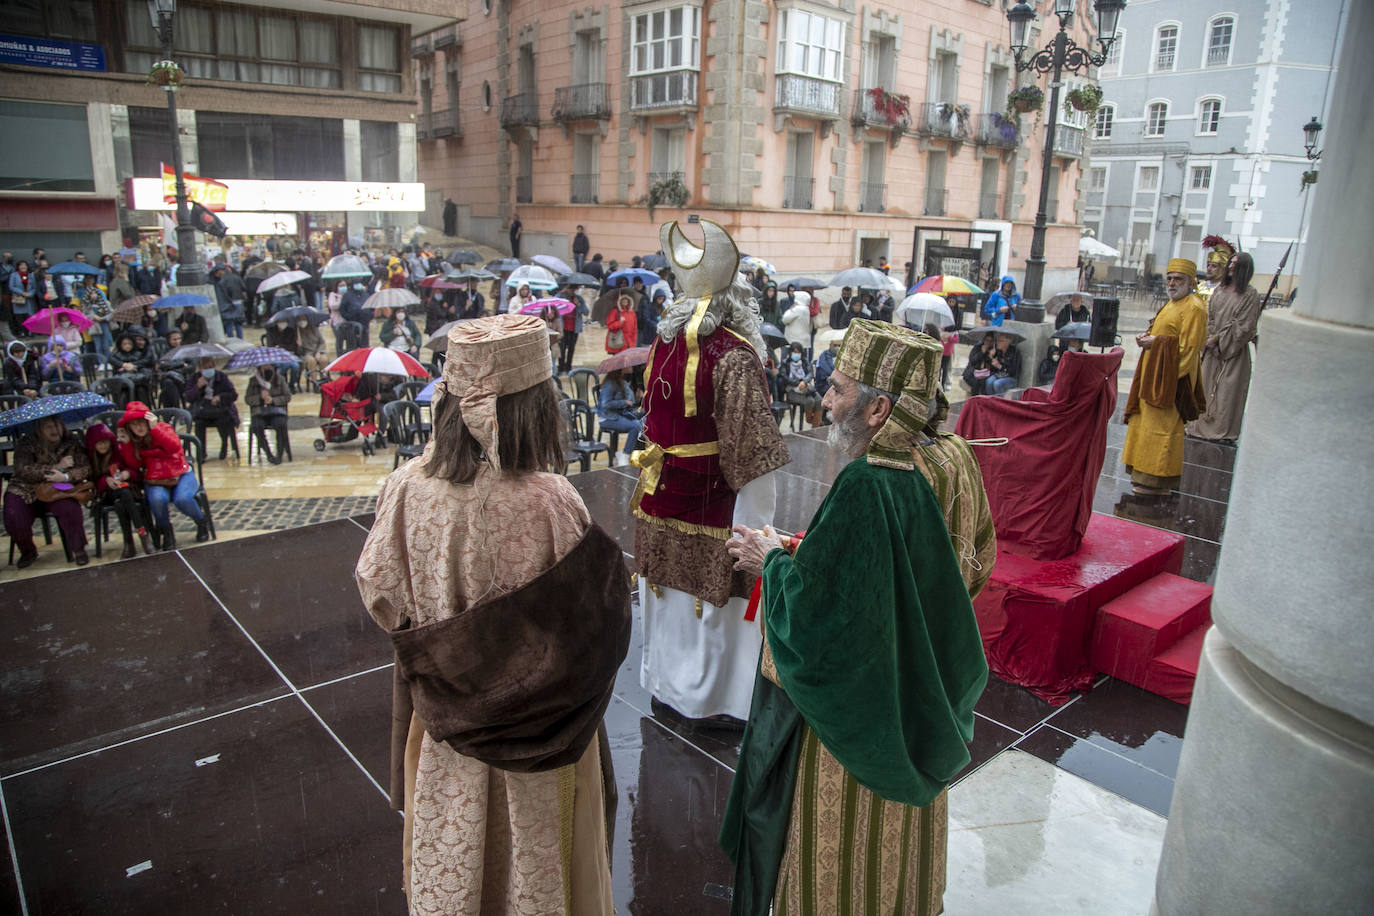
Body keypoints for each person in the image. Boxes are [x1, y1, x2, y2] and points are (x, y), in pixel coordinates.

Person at [721, 320, 994, 916]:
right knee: (906, 849)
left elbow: (823, 621)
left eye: (839, 389)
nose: (825, 400)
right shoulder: (954, 456)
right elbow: (968, 564)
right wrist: (805, 550)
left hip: (861, 714)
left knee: (846, 857)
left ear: (879, 409)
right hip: (923, 692)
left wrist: (772, 561)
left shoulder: (870, 483)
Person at [355, 314, 626, 914]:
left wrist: (452, 651)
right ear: (535, 407)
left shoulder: (404, 487)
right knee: (537, 873)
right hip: (544, 740)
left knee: (456, 859)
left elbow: (382, 598)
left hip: (446, 728)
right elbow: (595, 625)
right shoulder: (551, 500)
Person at [633, 218, 791, 723]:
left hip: (658, 496)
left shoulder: (663, 343)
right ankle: (715, 702)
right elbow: (754, 455)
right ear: (740, 299)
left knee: (670, 606)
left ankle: (667, 687)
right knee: (711, 613)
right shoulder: (735, 356)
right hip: (714, 507)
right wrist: (756, 530)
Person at [1123, 258, 1208, 495]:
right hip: (1154, 374)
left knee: (1162, 429)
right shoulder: (1172, 303)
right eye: (1169, 278)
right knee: (1145, 425)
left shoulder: (1194, 307)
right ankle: (1143, 476)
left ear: (1191, 282)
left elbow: (1189, 349)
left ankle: (1158, 481)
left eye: (1178, 279)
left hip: (1170, 379)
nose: (1171, 283)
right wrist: (1148, 337)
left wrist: (1157, 344)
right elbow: (1164, 334)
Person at [1186, 251, 1261, 444]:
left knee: (1226, 393)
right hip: (1212, 351)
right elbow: (1210, 317)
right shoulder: (1219, 290)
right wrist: (1210, 337)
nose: (1232, 266)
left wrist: (1220, 340)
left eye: (1236, 264)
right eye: (1231, 263)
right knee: (1205, 387)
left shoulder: (1250, 295)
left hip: (1233, 353)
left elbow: (1244, 325)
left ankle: (1221, 432)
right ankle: (1198, 427)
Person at [115, 401, 209, 548]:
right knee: (158, 499)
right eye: (134, 424)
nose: (139, 427)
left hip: (181, 473)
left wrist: (155, 429)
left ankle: (201, 521)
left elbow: (173, 447)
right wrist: (126, 444)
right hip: (155, 479)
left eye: (141, 422)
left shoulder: (163, 428)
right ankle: (166, 532)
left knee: (183, 499)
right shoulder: (134, 441)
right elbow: (135, 465)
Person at [4, 415, 94, 567]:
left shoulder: (71, 441)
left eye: (57, 425)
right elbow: (22, 470)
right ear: (40, 429)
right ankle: (28, 551)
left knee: (69, 509)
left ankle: (79, 550)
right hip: (25, 488)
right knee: (13, 514)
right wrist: (55, 467)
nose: (54, 430)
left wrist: (66, 476)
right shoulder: (26, 443)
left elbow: (86, 468)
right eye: (49, 427)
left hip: (58, 488)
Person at [86, 423, 155, 558]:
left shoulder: (118, 453)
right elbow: (92, 480)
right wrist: (105, 480)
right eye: (99, 443)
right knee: (124, 495)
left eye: (105, 442)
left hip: (126, 490)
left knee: (120, 503)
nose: (103, 445)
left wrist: (127, 474)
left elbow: (136, 472)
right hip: (106, 494)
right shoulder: (91, 459)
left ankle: (128, 543)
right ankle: (143, 535)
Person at [184, 357, 241, 460]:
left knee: (224, 421)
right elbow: (188, 397)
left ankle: (224, 445)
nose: (208, 370)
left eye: (210, 367)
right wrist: (197, 387)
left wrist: (220, 397)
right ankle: (201, 453)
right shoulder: (194, 378)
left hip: (220, 410)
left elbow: (233, 395)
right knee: (199, 424)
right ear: (200, 368)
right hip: (203, 411)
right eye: (205, 368)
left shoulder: (222, 377)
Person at [245, 363, 291, 464]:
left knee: (281, 424)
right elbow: (248, 399)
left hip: (276, 411)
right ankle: (268, 453)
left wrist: (273, 400)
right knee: (257, 426)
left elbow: (287, 397)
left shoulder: (280, 379)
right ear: (259, 368)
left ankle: (279, 454)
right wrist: (260, 398)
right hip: (259, 412)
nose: (267, 368)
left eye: (269, 366)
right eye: (264, 366)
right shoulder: (253, 381)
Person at [779, 341, 822, 427]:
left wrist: (804, 382)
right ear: (790, 352)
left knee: (819, 400)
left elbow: (810, 373)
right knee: (810, 401)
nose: (796, 354)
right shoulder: (785, 363)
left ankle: (815, 426)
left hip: (807, 388)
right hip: (792, 390)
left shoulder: (805, 361)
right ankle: (810, 420)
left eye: (798, 352)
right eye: (794, 352)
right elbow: (785, 378)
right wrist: (798, 383)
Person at [1197, 235, 1235, 308]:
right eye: (1208, 265)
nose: (1209, 268)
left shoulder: (1226, 288)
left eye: (1214, 266)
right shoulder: (1199, 286)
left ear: (1222, 268)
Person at [984, 332, 1023, 396]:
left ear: (1007, 342)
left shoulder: (1015, 352)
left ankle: (1000, 401)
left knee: (997, 384)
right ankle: (991, 400)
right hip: (999, 375)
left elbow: (1014, 371)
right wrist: (990, 357)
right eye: (997, 340)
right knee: (989, 381)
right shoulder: (998, 351)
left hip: (1011, 378)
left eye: (1000, 341)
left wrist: (999, 366)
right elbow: (992, 369)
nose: (997, 343)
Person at [212, 266, 245, 338]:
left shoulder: (221, 281)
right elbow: (243, 287)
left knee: (229, 322)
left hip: (227, 303)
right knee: (238, 322)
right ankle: (240, 338)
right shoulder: (236, 277)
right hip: (238, 301)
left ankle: (231, 338)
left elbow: (223, 294)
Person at [8, 259, 35, 336]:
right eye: (21, 265)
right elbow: (11, 286)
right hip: (18, 298)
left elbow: (34, 287)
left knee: (29, 316)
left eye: (25, 265)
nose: (23, 267)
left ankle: (30, 331)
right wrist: (21, 292)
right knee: (19, 316)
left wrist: (30, 294)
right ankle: (22, 331)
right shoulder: (14, 275)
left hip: (28, 299)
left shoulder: (31, 275)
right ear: (18, 267)